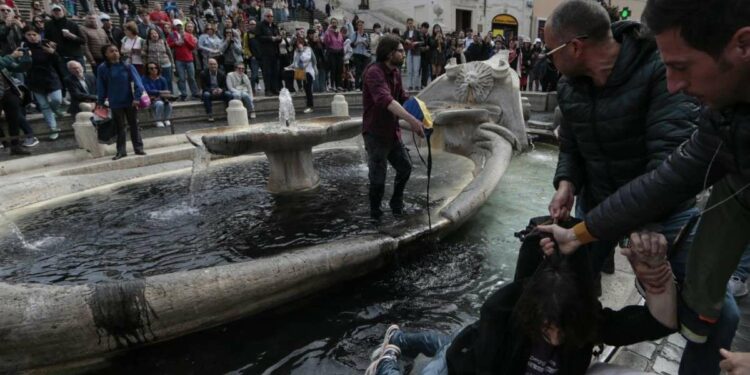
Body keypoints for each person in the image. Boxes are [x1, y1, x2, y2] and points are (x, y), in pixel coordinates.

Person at [538, 0, 750, 373]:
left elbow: (666, 172)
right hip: (603, 209)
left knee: (720, 314)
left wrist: (647, 236)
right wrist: (567, 188)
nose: (674, 84)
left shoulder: (656, 72)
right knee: (563, 292)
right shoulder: (570, 86)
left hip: (657, 215)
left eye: (680, 67)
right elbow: (574, 145)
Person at [366, 227, 678, 375]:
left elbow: (660, 322)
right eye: (547, 328)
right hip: (463, 366)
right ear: (530, 312)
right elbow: (526, 277)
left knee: (451, 341)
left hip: (469, 342)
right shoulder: (505, 313)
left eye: (563, 330)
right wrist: (541, 245)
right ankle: (387, 359)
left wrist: (656, 274)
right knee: (447, 354)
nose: (555, 338)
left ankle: (400, 337)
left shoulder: (585, 322)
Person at [362, 34, 425, 220]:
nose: (404, 54)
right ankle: (375, 215)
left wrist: (422, 112)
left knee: (405, 168)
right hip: (375, 134)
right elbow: (387, 101)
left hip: (391, 133)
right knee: (378, 180)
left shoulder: (396, 72)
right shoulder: (373, 72)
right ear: (389, 53)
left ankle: (396, 202)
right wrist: (412, 121)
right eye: (400, 51)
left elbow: (402, 97)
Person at [97, 44, 146, 160]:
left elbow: (138, 83)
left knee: (134, 124)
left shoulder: (127, 66)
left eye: (116, 50)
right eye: (111, 51)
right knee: (119, 127)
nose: (115, 53)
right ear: (106, 54)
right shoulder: (103, 68)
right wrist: (100, 101)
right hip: (115, 102)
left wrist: (137, 98)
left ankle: (138, 148)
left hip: (130, 101)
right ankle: (121, 151)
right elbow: (101, 85)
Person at [23, 26, 64, 140]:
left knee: (57, 99)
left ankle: (56, 109)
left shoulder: (47, 45)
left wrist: (53, 53)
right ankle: (53, 128)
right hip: (35, 80)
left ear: (39, 35)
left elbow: (58, 61)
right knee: (44, 106)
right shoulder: (24, 48)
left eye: (34, 34)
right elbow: (23, 65)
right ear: (25, 36)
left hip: (50, 77)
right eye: (29, 35)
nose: (32, 37)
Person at [0, 48, 32, 155]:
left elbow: (18, 68)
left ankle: (15, 146)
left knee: (14, 119)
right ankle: (4, 143)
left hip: (8, 91)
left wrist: (26, 57)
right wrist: (12, 56)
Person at [167, 18, 200, 101]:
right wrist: (176, 43)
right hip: (178, 59)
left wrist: (185, 39)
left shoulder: (188, 35)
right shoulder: (171, 35)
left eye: (180, 26)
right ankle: (183, 94)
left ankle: (195, 93)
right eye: (177, 26)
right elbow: (168, 45)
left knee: (191, 77)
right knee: (181, 78)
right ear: (174, 26)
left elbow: (192, 46)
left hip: (189, 58)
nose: (179, 28)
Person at [199, 57, 232, 122]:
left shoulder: (222, 73)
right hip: (210, 92)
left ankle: (229, 112)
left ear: (217, 65)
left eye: (214, 64)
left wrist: (221, 90)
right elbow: (203, 87)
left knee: (228, 94)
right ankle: (210, 114)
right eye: (211, 64)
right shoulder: (203, 73)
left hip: (220, 92)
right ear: (208, 65)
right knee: (206, 94)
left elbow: (225, 86)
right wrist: (212, 91)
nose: (213, 66)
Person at [257, 9, 280, 96]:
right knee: (267, 72)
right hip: (265, 53)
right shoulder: (260, 25)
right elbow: (259, 38)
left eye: (271, 16)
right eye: (268, 16)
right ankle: (268, 89)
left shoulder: (274, 26)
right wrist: (271, 38)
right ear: (265, 17)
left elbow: (278, 35)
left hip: (275, 52)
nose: (270, 18)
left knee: (275, 72)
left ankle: (275, 88)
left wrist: (279, 38)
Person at [141, 62, 173, 128]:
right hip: (150, 99)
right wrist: (160, 92)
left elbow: (166, 91)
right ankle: (158, 120)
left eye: (155, 68)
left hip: (161, 98)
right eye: (151, 68)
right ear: (148, 70)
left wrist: (159, 94)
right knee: (160, 104)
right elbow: (147, 91)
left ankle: (166, 119)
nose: (154, 69)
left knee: (169, 104)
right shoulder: (144, 79)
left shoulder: (162, 79)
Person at [143, 27, 173, 92]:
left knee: (168, 80)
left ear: (158, 34)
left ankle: (169, 95)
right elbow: (144, 54)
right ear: (149, 35)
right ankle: (159, 95)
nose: (154, 35)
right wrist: (145, 64)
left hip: (165, 64)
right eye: (152, 34)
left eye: (155, 33)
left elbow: (169, 53)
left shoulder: (163, 41)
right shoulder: (147, 42)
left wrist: (172, 63)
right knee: (157, 81)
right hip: (154, 66)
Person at [293, 37, 315, 113]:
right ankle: (308, 104)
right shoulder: (296, 51)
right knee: (305, 88)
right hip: (300, 71)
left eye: (300, 43)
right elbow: (295, 61)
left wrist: (301, 50)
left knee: (308, 89)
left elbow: (306, 59)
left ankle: (310, 106)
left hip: (308, 71)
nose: (298, 44)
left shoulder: (308, 49)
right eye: (297, 43)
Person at [323, 17, 344, 92]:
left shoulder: (339, 32)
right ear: (331, 24)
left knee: (339, 70)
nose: (334, 24)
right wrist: (327, 32)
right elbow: (326, 42)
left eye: (335, 22)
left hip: (339, 53)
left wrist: (342, 52)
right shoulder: (328, 32)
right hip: (332, 52)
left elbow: (341, 43)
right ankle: (332, 85)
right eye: (332, 22)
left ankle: (338, 85)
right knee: (333, 69)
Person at [401, 18, 422, 91]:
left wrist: (417, 42)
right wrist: (405, 40)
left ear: (413, 23)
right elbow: (401, 40)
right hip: (409, 52)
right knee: (409, 70)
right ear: (407, 24)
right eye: (409, 23)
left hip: (416, 52)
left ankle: (416, 85)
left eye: (411, 23)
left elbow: (423, 41)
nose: (410, 24)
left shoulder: (417, 32)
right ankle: (409, 85)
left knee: (416, 70)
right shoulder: (406, 32)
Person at [349, 19, 369, 90]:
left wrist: (364, 43)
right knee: (358, 70)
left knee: (364, 71)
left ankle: (362, 86)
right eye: (359, 25)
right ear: (357, 26)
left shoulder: (365, 34)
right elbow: (352, 45)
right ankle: (357, 86)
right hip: (357, 54)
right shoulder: (355, 34)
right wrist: (357, 42)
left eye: (362, 25)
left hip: (364, 54)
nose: (361, 27)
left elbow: (368, 46)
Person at [417, 22, 433, 89]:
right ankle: (417, 84)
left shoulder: (428, 36)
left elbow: (429, 45)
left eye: (427, 28)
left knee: (425, 71)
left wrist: (427, 37)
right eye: (424, 28)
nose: (425, 29)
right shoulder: (418, 34)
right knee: (417, 70)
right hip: (418, 55)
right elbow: (419, 44)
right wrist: (425, 48)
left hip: (426, 56)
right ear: (421, 27)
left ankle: (424, 84)